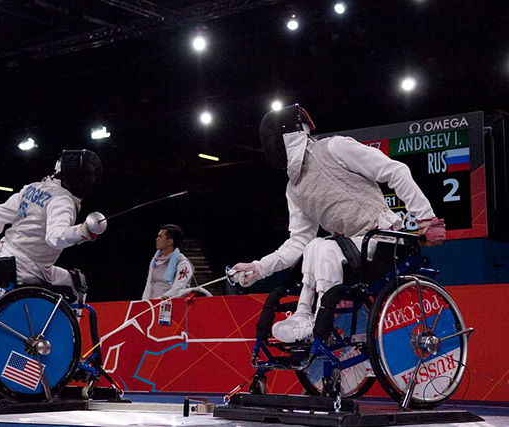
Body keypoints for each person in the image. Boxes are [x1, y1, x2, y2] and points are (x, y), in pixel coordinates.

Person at [229, 104, 446, 343]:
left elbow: (395, 170)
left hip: (384, 239)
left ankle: (319, 321)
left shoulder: (335, 147)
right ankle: (303, 315)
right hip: (353, 252)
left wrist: (426, 218)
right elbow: (298, 242)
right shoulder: (294, 189)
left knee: (322, 246)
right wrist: (259, 268)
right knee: (314, 246)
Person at [0, 150, 106, 302]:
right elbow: (55, 237)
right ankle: (65, 326)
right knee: (77, 283)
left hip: (0, 259)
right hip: (28, 270)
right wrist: (82, 231)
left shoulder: (32, 188)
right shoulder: (63, 199)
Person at [142, 224, 194, 300]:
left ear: (170, 241)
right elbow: (149, 286)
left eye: (160, 237)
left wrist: (159, 301)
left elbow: (178, 288)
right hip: (155, 307)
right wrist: (144, 304)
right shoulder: (155, 261)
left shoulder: (183, 263)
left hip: (174, 306)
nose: (157, 239)